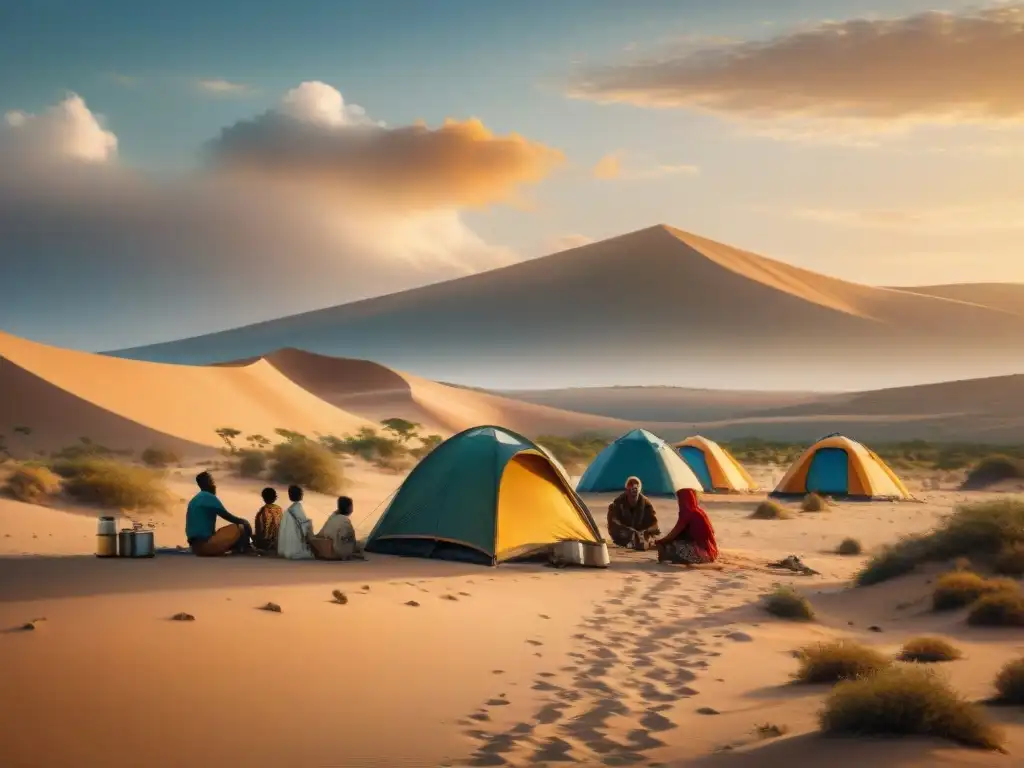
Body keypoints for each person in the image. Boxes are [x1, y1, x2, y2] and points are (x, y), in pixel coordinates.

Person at [185, 471, 253, 556]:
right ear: (207, 483)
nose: (214, 484)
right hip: (206, 546)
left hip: (195, 548)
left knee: (222, 531)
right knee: (240, 527)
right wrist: (245, 522)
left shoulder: (195, 499)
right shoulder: (209, 497)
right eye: (211, 481)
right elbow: (229, 517)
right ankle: (245, 549)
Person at [655, 488, 718, 565]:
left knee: (672, 545)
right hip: (711, 552)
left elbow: (673, 534)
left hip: (703, 554)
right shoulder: (698, 511)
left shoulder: (687, 513)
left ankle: (671, 559)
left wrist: (660, 542)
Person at [607, 476, 660, 551]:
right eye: (631, 484)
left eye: (636, 484)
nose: (634, 486)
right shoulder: (618, 502)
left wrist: (645, 531)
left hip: (641, 532)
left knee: (653, 533)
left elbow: (654, 524)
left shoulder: (646, 503)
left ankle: (640, 541)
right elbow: (613, 522)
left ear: (640, 488)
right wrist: (630, 531)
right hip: (624, 532)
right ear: (626, 488)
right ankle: (631, 540)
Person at [313, 496, 365, 560]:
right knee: (361, 544)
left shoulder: (332, 517)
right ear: (349, 507)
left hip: (327, 547)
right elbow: (349, 539)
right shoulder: (345, 521)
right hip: (337, 551)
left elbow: (321, 533)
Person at [277, 485, 315, 560]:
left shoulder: (288, 511)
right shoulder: (298, 508)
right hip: (295, 549)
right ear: (300, 495)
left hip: (284, 548)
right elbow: (304, 527)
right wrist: (309, 524)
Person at [253, 487, 283, 554]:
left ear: (263, 498)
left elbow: (259, 529)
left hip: (266, 543)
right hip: (278, 541)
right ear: (275, 498)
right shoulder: (279, 509)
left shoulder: (262, 511)